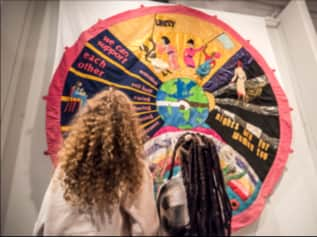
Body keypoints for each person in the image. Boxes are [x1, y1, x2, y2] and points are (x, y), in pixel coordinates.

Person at [33, 88, 159, 236]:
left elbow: (43, 220)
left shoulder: (66, 166)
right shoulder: (133, 170)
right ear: (129, 129)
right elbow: (146, 228)